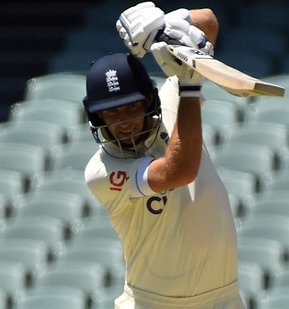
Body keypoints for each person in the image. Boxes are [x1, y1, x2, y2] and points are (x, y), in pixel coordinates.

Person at [82, 2, 245, 308]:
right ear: (98, 119)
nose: (125, 121)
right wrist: (190, 86)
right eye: (112, 113)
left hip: (223, 300)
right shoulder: (102, 171)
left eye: (132, 106)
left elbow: (207, 22)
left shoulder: (174, 101)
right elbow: (178, 172)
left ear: (149, 102)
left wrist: (163, 28)